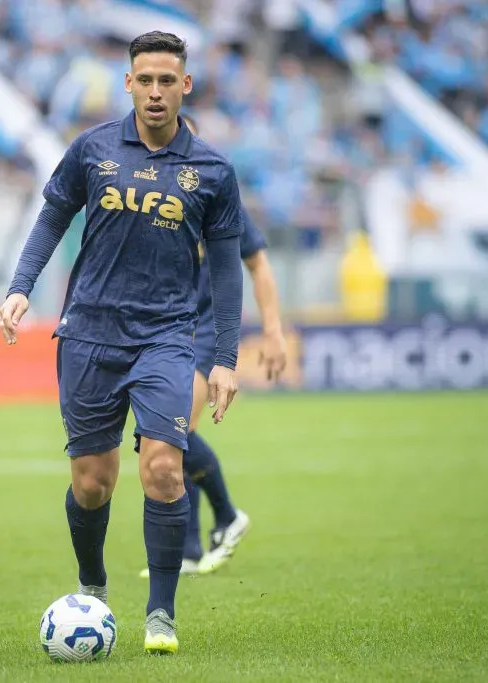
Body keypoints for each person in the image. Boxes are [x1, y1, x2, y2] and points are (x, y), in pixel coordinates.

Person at [0, 31, 245, 655]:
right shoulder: (92, 149)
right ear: (128, 83)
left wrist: (224, 359)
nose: (156, 91)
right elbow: (53, 215)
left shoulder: (212, 171)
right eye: (145, 79)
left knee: (163, 466)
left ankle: (160, 614)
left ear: (185, 85)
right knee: (92, 483)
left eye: (168, 80)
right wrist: (21, 286)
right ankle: (93, 588)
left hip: (165, 337)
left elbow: (226, 269)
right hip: (88, 333)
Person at [138, 114, 288, 579]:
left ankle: (224, 517)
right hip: (159, 326)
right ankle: (191, 547)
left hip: (202, 327)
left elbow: (257, 264)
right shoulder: (146, 194)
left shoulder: (217, 190)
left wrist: (273, 331)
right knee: (167, 434)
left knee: (173, 430)